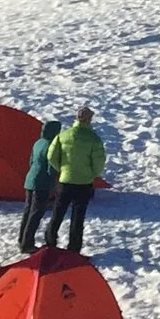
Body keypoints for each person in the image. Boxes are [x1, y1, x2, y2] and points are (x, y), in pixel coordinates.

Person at [45, 106, 107, 253]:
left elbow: (51, 156)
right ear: (90, 119)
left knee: (57, 213)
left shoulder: (63, 135)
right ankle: (73, 248)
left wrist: (61, 168)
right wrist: (93, 174)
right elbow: (99, 161)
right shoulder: (94, 138)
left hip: (65, 181)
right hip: (84, 183)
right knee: (78, 218)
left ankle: (50, 242)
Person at [17, 117, 63, 252]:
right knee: (36, 213)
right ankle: (27, 244)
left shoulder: (38, 142)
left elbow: (31, 161)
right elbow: (51, 167)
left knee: (27, 211)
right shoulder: (51, 145)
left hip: (30, 179)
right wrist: (53, 180)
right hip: (42, 182)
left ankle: (22, 239)